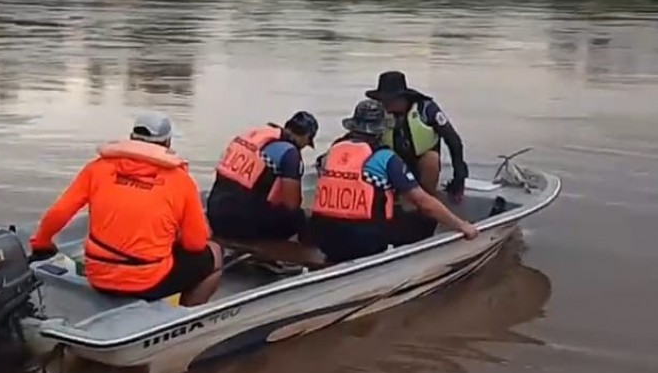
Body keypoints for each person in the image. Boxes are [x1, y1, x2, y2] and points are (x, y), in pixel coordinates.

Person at [28, 112, 223, 307]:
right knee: (213, 255)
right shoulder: (181, 182)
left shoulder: (97, 169)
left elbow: (60, 212)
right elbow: (195, 244)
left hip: (98, 276)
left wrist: (41, 243)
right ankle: (184, 319)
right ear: (168, 143)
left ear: (132, 138)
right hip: (148, 280)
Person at [310, 99, 479, 263]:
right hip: (364, 243)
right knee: (423, 218)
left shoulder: (333, 151)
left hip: (324, 237)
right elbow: (423, 202)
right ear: (381, 130)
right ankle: (412, 259)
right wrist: (461, 225)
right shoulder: (385, 158)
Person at [206, 111, 319, 242]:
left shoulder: (255, 138)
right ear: (306, 136)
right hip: (239, 224)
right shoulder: (290, 153)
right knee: (297, 217)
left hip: (214, 213)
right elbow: (291, 204)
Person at [365, 71, 469, 202]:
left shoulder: (426, 109)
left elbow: (453, 140)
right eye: (382, 100)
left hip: (421, 165)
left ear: (401, 97)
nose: (385, 104)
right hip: (393, 165)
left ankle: (426, 204)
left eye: (388, 100)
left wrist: (459, 177)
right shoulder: (378, 113)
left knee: (431, 159)